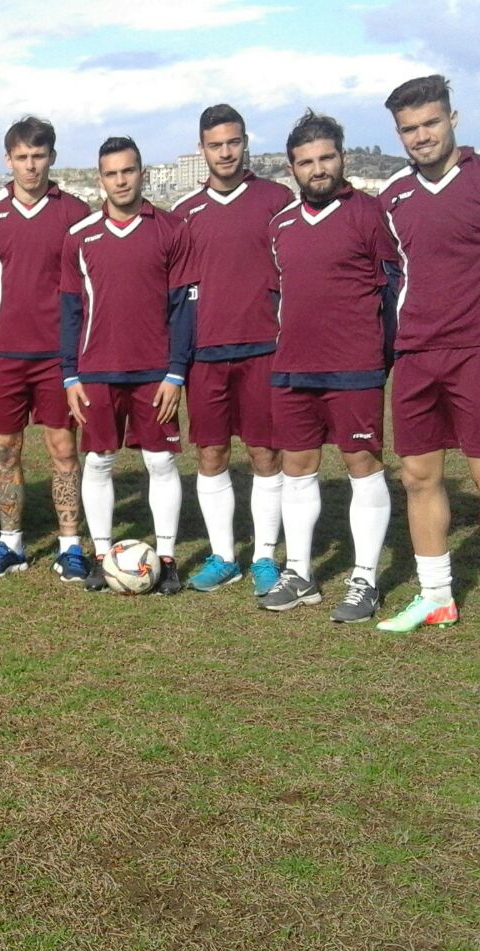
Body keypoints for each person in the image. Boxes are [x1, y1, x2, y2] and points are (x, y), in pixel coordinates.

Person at [375, 75, 480, 654]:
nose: (421, 136)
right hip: (417, 355)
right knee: (418, 476)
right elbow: (389, 279)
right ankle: (436, 595)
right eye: (409, 129)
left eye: (430, 122)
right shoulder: (392, 199)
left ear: (454, 118)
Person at [260, 112, 399, 623]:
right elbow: (277, 297)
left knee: (363, 469)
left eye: (326, 158)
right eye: (306, 161)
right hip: (293, 368)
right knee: (296, 472)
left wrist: (381, 356)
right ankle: (299, 574)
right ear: (291, 168)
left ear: (341, 157)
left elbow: (393, 289)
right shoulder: (280, 225)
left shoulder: (370, 213)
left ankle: (365, 580)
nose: (318, 169)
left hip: (355, 367)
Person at [60, 137, 196, 595]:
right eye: (112, 173)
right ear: (100, 179)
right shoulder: (79, 236)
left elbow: (183, 308)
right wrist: (70, 374)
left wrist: (177, 372)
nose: (121, 180)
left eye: (129, 171)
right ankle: (101, 557)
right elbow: (69, 310)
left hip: (156, 373)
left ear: (142, 172)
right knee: (98, 462)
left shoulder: (172, 230)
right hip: (96, 371)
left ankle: (168, 558)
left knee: (160, 461)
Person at [172, 105, 294, 595]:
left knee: (265, 453)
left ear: (245, 142)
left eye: (233, 142)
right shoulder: (186, 213)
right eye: (215, 144)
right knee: (211, 453)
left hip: (264, 347)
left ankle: (265, 557)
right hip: (206, 354)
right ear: (202, 149)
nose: (225, 152)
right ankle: (224, 556)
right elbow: (177, 292)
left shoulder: (276, 200)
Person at [0, 116, 92, 582]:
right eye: (21, 157)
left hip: (57, 355)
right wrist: (5, 311)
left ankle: (70, 544)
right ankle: (11, 543)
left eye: (38, 156)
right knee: (6, 449)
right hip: (4, 354)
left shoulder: (75, 213)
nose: (30, 166)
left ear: (52, 157)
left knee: (63, 448)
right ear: (8, 160)